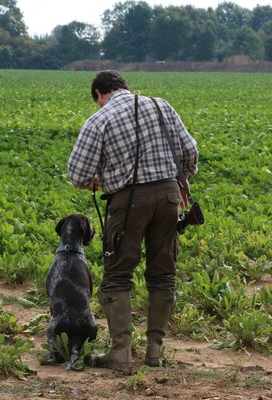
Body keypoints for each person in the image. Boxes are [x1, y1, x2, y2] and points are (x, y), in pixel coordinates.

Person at [67, 70, 198, 370]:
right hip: (169, 197)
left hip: (129, 202)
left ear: (99, 94)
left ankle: (121, 352)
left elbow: (78, 173)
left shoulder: (100, 119)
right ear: (124, 87)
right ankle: (155, 352)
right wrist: (181, 182)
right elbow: (190, 152)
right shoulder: (161, 105)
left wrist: (96, 181)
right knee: (163, 274)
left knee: (117, 274)